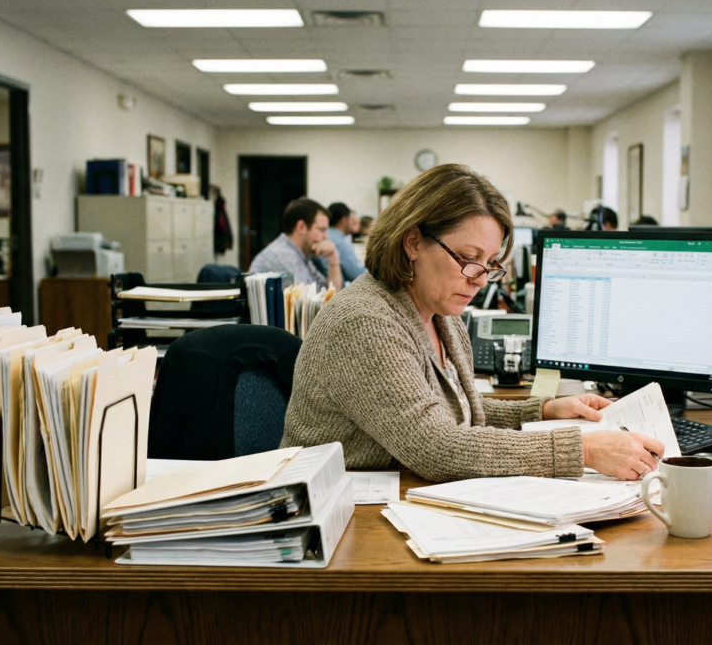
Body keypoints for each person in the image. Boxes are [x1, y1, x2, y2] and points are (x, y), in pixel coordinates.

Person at [282, 164, 664, 482]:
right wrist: (582, 449)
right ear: (412, 242)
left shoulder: (439, 312)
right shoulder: (364, 322)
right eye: (468, 257)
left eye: (490, 262)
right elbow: (437, 447)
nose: (480, 278)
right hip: (337, 511)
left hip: (397, 494)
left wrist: (542, 411)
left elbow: (449, 408)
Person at [248, 198, 343, 289]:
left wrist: (333, 259)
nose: (325, 236)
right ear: (301, 227)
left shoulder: (300, 255)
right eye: (321, 230)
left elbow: (330, 294)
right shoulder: (283, 256)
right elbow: (308, 303)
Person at [326, 202, 367, 282]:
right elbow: (357, 275)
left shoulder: (327, 234)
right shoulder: (340, 242)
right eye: (351, 220)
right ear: (344, 220)